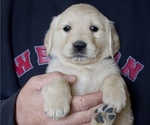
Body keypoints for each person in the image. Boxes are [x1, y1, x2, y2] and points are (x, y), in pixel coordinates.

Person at [1, 0, 150, 125]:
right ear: (50, 37)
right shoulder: (56, 68)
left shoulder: (108, 70)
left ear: (113, 39)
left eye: (94, 28)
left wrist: (114, 82)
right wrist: (11, 113)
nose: (79, 41)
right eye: (67, 28)